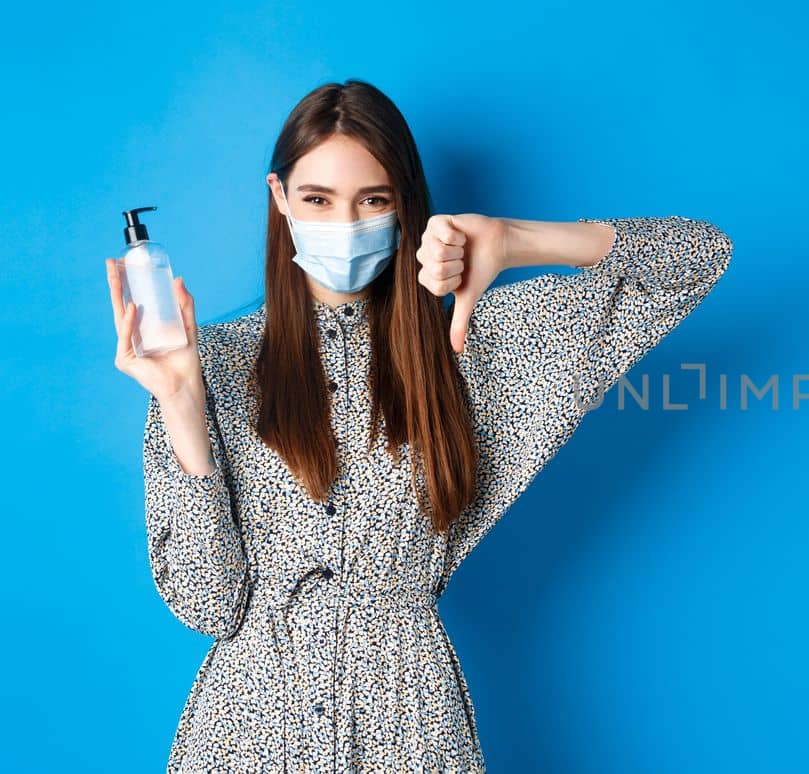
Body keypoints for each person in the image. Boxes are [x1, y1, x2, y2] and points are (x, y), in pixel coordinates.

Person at [105, 78, 733, 772]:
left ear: (406, 207)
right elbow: (207, 606)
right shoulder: (209, 364)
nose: (344, 224)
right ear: (280, 199)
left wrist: (514, 239)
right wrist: (183, 406)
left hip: (410, 725)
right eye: (317, 199)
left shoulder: (472, 351)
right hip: (248, 731)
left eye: (373, 200)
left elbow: (696, 258)